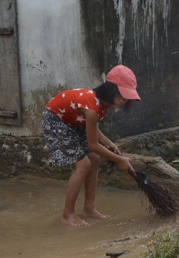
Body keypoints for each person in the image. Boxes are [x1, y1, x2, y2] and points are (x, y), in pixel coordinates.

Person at [41, 65, 141, 227]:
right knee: (83, 164)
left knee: (94, 160)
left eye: (127, 97)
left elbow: (92, 128)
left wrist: (108, 143)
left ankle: (89, 209)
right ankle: (67, 214)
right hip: (56, 121)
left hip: (73, 122)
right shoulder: (92, 107)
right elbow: (93, 144)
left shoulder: (102, 106)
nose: (124, 100)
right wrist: (120, 159)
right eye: (122, 95)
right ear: (110, 89)